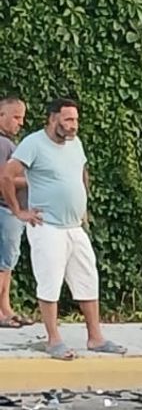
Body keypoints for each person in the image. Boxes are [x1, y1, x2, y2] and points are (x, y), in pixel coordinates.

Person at [0, 98, 125, 360]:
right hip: (47, 226)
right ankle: (53, 339)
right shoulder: (34, 143)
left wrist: (84, 205)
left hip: (74, 226)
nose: (73, 126)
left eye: (76, 120)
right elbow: (7, 176)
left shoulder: (75, 144)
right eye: (68, 120)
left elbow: (81, 171)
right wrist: (18, 211)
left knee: (88, 278)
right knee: (50, 282)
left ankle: (95, 337)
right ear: (53, 118)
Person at [0, 97, 32, 328]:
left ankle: (6, 309)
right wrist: (33, 179)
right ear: (1, 116)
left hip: (9, 212)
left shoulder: (8, 143)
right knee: (3, 263)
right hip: (5, 210)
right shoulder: (2, 144)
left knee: (7, 263)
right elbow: (3, 179)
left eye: (22, 117)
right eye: (16, 117)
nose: (20, 123)